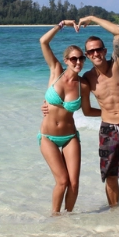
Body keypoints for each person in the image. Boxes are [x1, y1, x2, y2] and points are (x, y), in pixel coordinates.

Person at [39, 20, 100, 215]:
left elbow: (89, 111)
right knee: (62, 181)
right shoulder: (55, 71)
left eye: (81, 58)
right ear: (66, 60)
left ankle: (68, 221)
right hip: (48, 136)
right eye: (73, 59)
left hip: (70, 136)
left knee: (73, 184)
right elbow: (43, 42)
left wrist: (110, 112)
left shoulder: (83, 85)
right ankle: (54, 217)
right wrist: (61, 24)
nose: (78, 62)